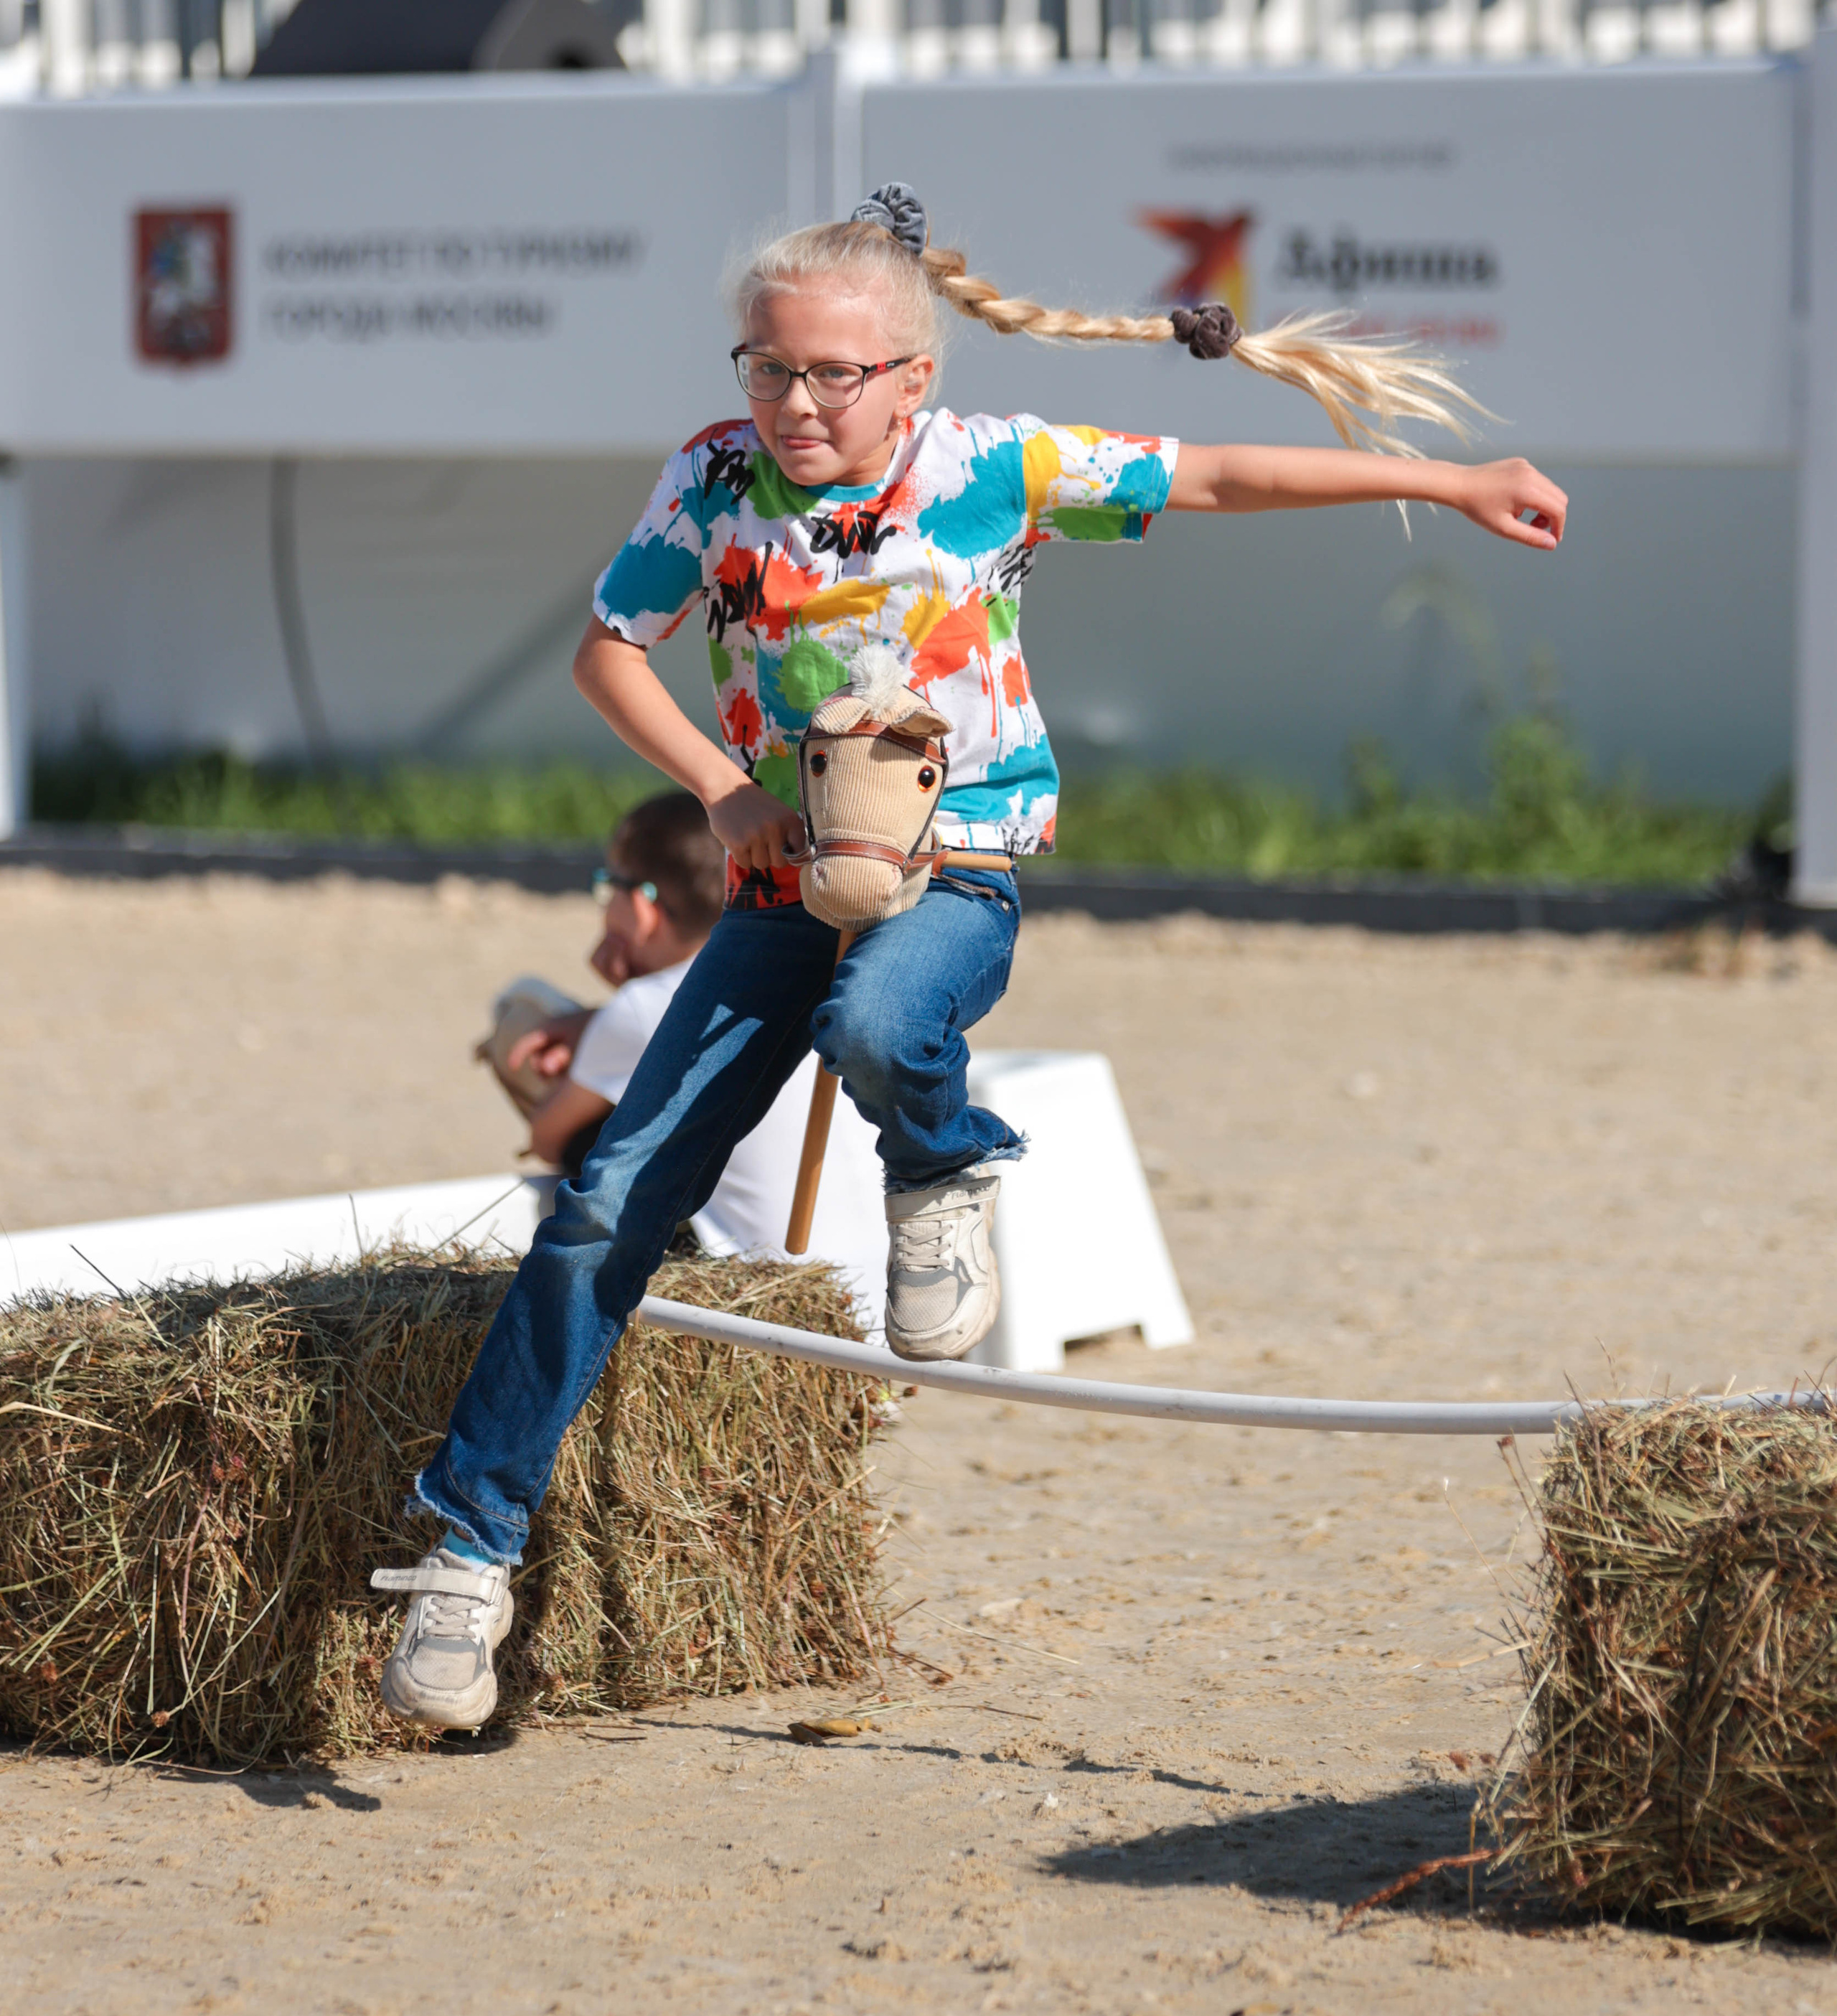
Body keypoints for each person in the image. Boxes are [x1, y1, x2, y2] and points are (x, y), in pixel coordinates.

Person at [370, 181, 1568, 1730]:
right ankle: (468, 1553)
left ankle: (938, 1171)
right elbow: (610, 649)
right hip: (775, 894)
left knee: (882, 1020)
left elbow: (1216, 474)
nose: (792, 402)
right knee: (604, 1199)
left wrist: (1452, 480)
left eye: (829, 375)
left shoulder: (992, 464)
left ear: (910, 378)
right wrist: (724, 793)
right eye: (765, 368)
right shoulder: (711, 480)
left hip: (955, 873)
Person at [475, 791, 888, 1305]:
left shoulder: (642, 1007)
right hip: (874, 1297)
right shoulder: (791, 978)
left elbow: (548, 1136)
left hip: (778, 1303)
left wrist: (599, 1026)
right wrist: (603, 1023)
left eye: (609, 889)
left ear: (643, 904)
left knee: (528, 1032)